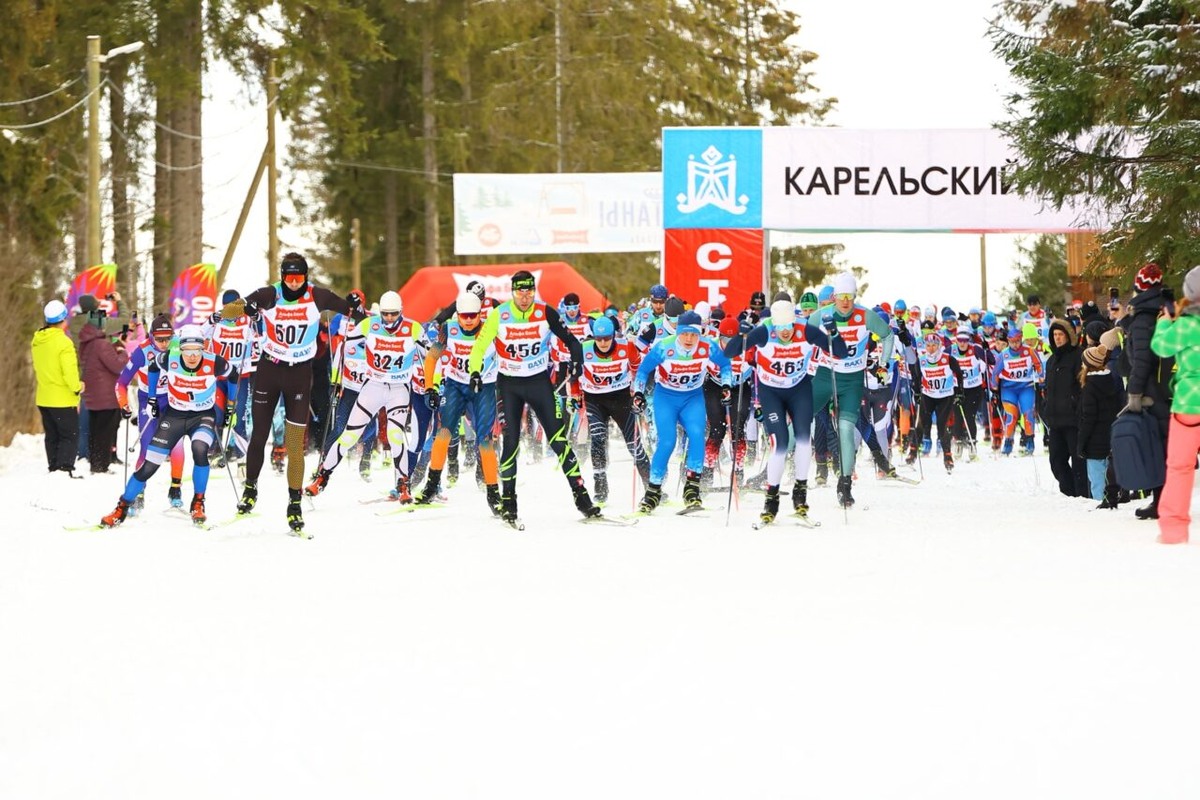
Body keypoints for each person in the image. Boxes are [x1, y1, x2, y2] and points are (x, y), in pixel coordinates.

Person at [228, 252, 363, 534]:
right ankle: (250, 489)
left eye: (298, 278)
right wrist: (246, 310)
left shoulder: (318, 296)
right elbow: (230, 310)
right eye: (288, 278)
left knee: (293, 443)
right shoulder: (269, 294)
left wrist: (354, 305)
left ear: (305, 277)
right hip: (269, 370)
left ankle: (294, 502)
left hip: (300, 374)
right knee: (260, 434)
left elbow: (356, 315)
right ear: (281, 277)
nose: (292, 283)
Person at [468, 269, 600, 525]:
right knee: (511, 442)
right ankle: (509, 504)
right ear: (513, 292)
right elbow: (479, 347)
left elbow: (572, 341)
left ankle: (582, 499)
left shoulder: (545, 312)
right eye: (520, 291)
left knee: (559, 440)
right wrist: (475, 371)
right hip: (509, 385)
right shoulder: (499, 315)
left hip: (539, 382)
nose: (525, 297)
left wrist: (577, 362)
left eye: (529, 291)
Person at [100, 325, 238, 527]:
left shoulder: (214, 362)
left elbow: (234, 375)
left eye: (197, 351)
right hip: (175, 416)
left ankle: (198, 502)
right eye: (188, 351)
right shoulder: (169, 359)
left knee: (200, 449)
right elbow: (154, 368)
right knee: (149, 464)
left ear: (203, 349)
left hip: (202, 417)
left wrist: (230, 406)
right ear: (180, 349)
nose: (192, 356)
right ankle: (122, 507)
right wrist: (153, 398)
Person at [306, 290, 426, 501]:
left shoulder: (413, 328)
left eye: (394, 314)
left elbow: (429, 356)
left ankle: (403, 485)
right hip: (373, 386)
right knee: (349, 436)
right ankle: (322, 478)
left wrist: (433, 381)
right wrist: (337, 376)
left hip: (399, 389)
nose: (389, 318)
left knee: (395, 435)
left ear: (401, 311)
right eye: (386, 314)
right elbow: (344, 345)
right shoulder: (370, 325)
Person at [724, 299, 836, 523]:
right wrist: (742, 335)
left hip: (799, 390)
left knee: (805, 438)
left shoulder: (806, 330)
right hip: (771, 393)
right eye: (780, 327)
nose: (785, 332)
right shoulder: (764, 331)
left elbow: (839, 351)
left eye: (789, 327)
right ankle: (771, 499)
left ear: (795, 321)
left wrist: (834, 334)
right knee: (780, 444)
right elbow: (730, 351)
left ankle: (800, 495)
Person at [633, 310, 732, 513]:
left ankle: (692, 489)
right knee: (668, 441)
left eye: (694, 334)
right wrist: (639, 394)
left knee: (697, 436)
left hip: (692, 398)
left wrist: (726, 385)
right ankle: (653, 491)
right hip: (666, 398)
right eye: (685, 334)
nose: (689, 339)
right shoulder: (664, 347)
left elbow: (725, 364)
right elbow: (643, 370)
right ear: (678, 332)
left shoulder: (707, 346)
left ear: (700, 333)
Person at [812, 272, 894, 508]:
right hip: (826, 376)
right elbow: (802, 339)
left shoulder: (864, 315)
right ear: (834, 297)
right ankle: (771, 474)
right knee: (800, 417)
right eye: (841, 297)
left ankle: (844, 484)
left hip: (852, 380)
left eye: (850, 296)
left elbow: (888, 337)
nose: (845, 302)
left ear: (855, 296)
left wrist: (883, 364)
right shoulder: (822, 315)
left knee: (846, 428)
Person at [418, 290, 502, 512]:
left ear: (479, 315)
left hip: (483, 386)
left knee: (484, 439)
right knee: (443, 432)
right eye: (463, 316)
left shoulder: (491, 329)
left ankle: (493, 494)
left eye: (472, 316)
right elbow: (432, 357)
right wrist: (429, 388)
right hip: (456, 385)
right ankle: (431, 486)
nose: (467, 321)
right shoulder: (450, 329)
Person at [572, 314, 651, 502]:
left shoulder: (627, 347)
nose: (603, 342)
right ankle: (600, 485)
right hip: (594, 400)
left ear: (613, 335)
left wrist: (638, 393)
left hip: (620, 398)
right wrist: (575, 396)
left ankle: (652, 487)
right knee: (598, 438)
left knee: (634, 445)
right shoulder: (583, 350)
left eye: (607, 338)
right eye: (599, 339)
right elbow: (574, 374)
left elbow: (638, 370)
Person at [115, 313, 187, 510]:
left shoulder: (178, 345)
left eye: (168, 338)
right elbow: (121, 383)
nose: (164, 343)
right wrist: (124, 405)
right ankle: (138, 492)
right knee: (146, 448)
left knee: (177, 445)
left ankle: (175, 489)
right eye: (159, 339)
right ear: (151, 336)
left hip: (172, 400)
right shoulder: (142, 351)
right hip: (148, 399)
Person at [1149, 266, 1200, 542]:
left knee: (1180, 466)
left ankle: (1174, 531)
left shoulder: (1185, 325)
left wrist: (1164, 321)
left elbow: (1160, 347)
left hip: (1189, 404)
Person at [1122, 262, 1173, 519]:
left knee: (1156, 446)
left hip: (1152, 391)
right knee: (1165, 445)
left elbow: (1142, 360)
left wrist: (1134, 393)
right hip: (1169, 388)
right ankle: (1164, 501)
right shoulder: (1164, 311)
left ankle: (1161, 503)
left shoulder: (1143, 319)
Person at [31, 300, 83, 475]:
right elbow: (69, 372)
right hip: (62, 399)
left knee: (52, 436)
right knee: (69, 435)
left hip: (44, 397)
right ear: (63, 319)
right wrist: (77, 387)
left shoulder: (37, 340)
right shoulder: (63, 342)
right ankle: (64, 470)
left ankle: (53, 468)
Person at [78, 299, 128, 473]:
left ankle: (95, 463)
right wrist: (122, 351)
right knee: (105, 432)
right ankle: (101, 466)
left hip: (93, 395)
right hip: (106, 395)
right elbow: (118, 366)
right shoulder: (101, 344)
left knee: (95, 430)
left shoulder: (87, 343)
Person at [1042, 318, 1087, 496]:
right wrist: (1044, 407)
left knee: (1078, 462)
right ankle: (1069, 491)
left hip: (1072, 420)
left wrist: (1077, 407)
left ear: (1069, 336)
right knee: (1056, 461)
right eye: (1055, 335)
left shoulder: (1079, 356)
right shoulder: (1051, 361)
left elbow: (1083, 385)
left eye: (1061, 334)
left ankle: (1081, 494)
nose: (1058, 338)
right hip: (1054, 420)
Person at [1077, 343, 1123, 506]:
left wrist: (1081, 443)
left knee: (1096, 481)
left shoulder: (1090, 386)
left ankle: (1100, 509)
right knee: (1111, 475)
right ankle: (1112, 501)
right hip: (1110, 437)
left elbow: (1088, 418)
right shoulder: (1111, 380)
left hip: (1094, 442)